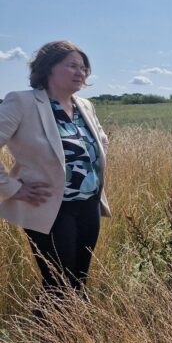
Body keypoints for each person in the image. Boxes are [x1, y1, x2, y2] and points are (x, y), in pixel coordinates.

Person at [0, 40, 111, 295]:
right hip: (50, 207)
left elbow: (101, 139)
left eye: (83, 68)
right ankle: (47, 334)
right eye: (72, 66)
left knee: (79, 280)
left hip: (89, 205)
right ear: (48, 67)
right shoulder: (22, 102)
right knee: (58, 283)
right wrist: (13, 188)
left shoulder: (85, 106)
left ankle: (73, 334)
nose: (80, 72)